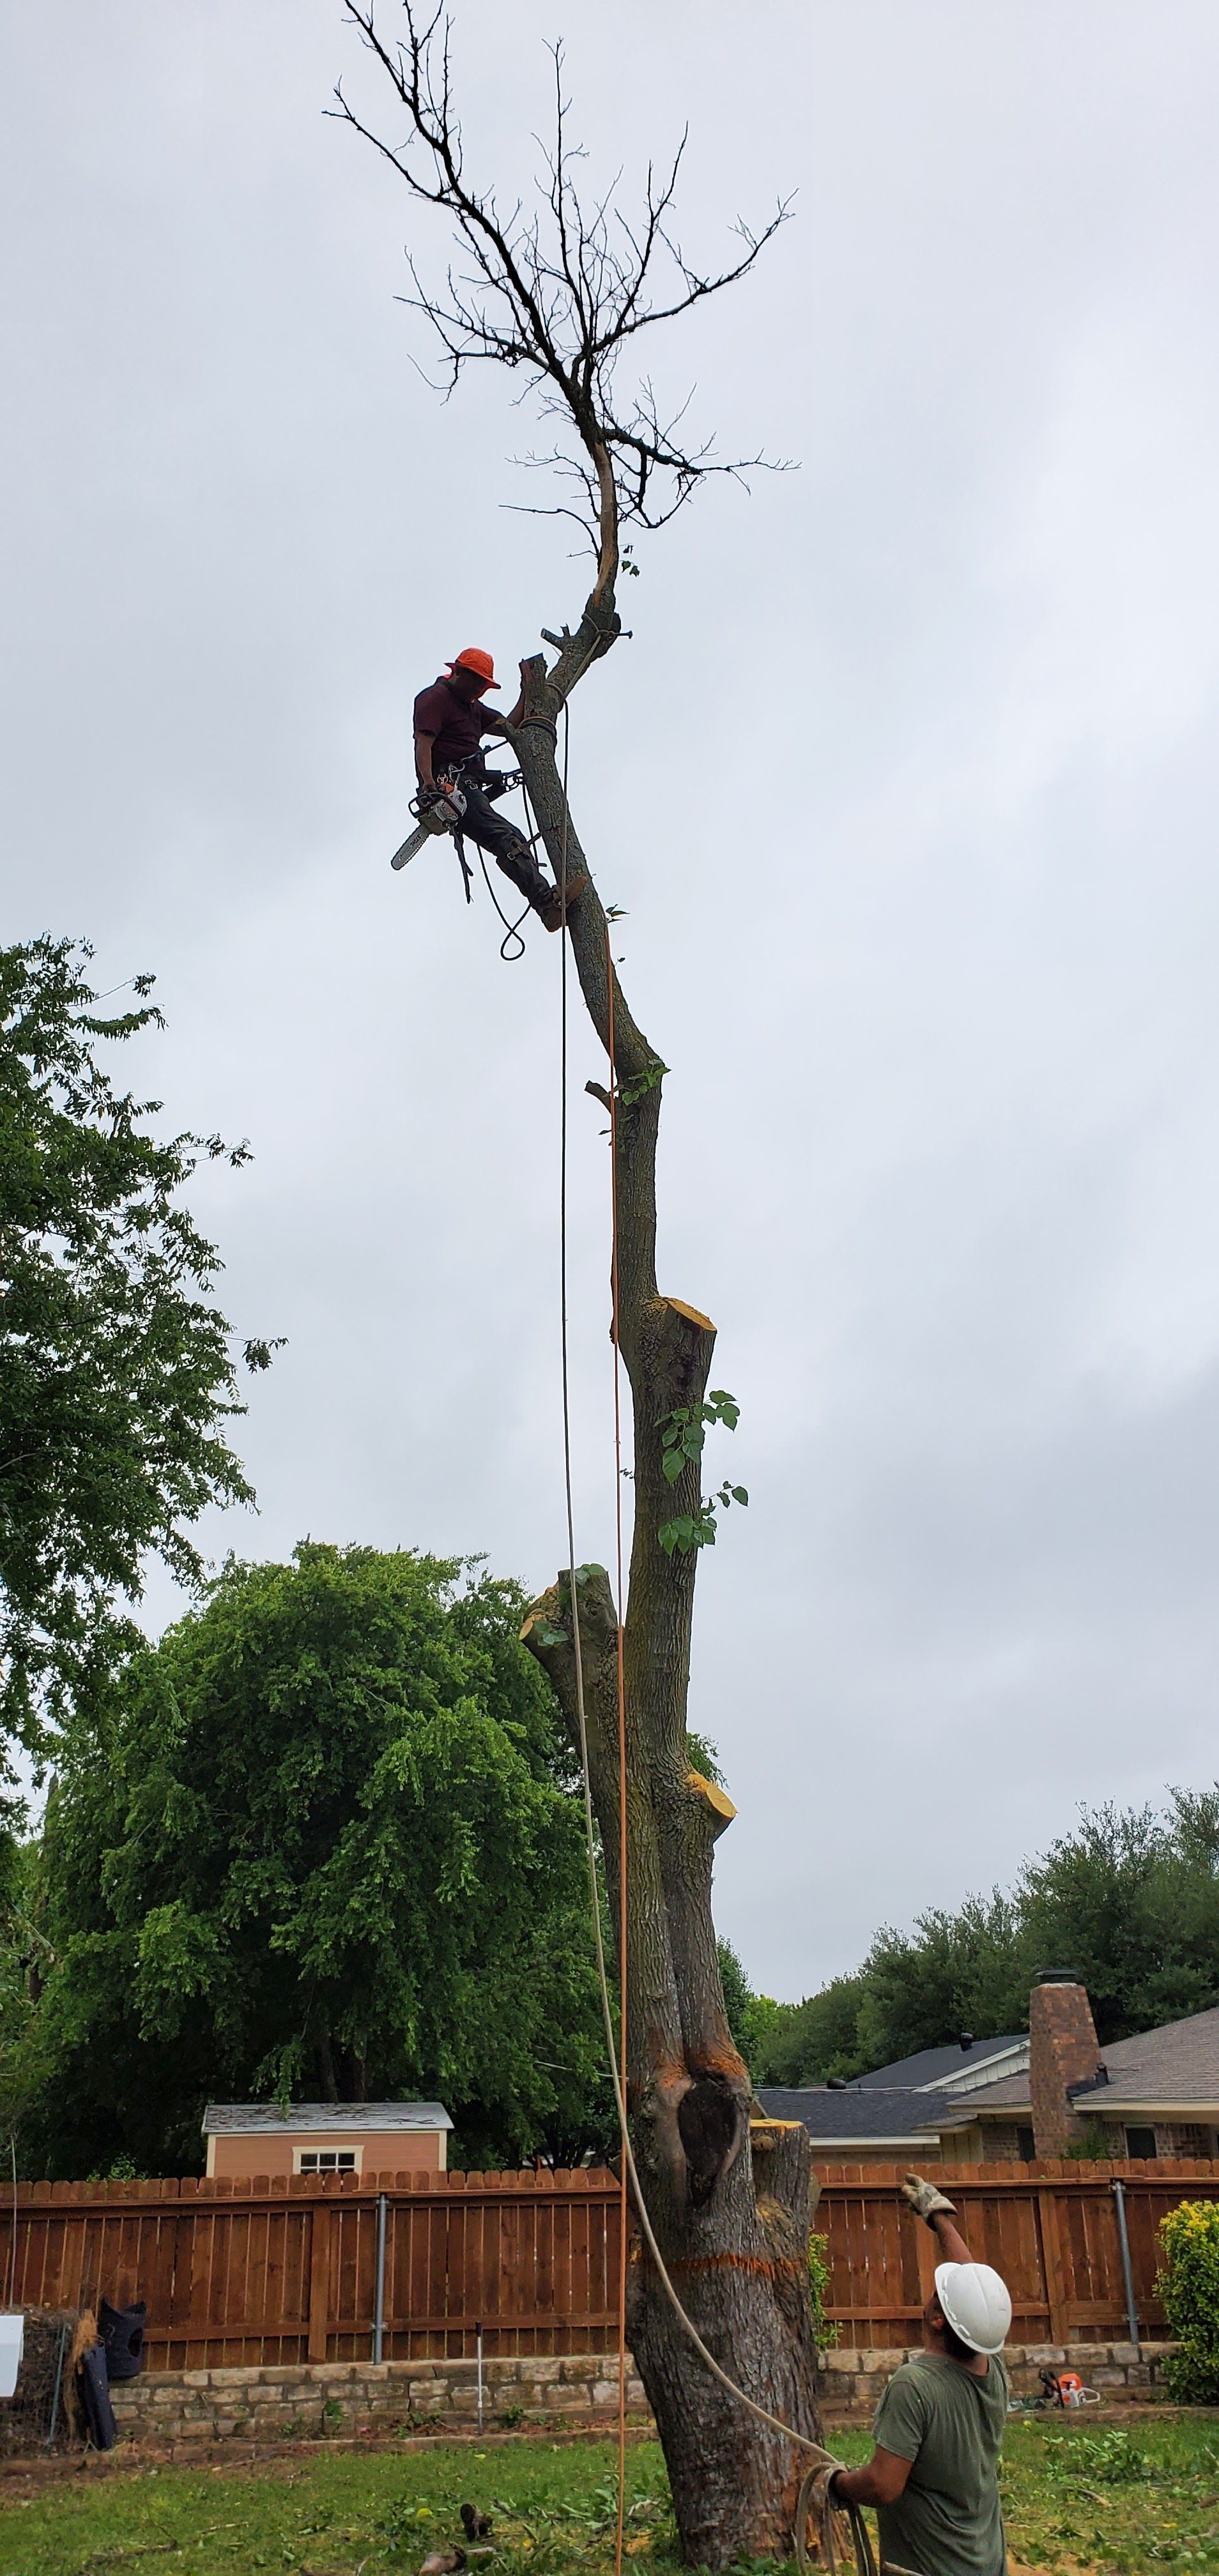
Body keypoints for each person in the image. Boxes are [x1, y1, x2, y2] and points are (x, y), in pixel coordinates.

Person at [822, 2171, 1013, 2576]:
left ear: (939, 2320)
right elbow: (973, 2294)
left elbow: (883, 2486)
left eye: (937, 2296)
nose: (932, 2294)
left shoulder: (916, 2385)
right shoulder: (992, 2370)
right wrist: (939, 2218)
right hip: (985, 2564)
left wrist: (837, 2484)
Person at [413, 648, 585, 931]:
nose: (482, 689)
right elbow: (424, 743)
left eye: (485, 685)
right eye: (479, 682)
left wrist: (526, 692)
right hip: (450, 788)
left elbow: (508, 726)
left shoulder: (472, 707)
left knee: (512, 838)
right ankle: (547, 905)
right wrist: (430, 786)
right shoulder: (436, 699)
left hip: (469, 787)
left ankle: (546, 904)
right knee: (505, 838)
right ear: (462, 674)